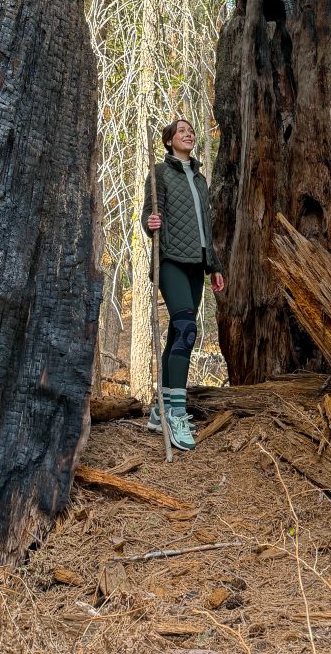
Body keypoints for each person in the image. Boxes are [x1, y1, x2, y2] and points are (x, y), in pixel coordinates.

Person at [141, 117, 226, 451]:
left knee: (179, 333)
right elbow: (151, 214)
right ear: (168, 141)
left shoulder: (201, 179)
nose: (188, 134)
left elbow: (206, 225)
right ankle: (176, 412)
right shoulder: (160, 174)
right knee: (187, 330)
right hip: (171, 260)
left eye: (191, 131)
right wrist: (151, 223)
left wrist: (214, 265)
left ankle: (159, 410)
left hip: (197, 263)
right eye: (181, 131)